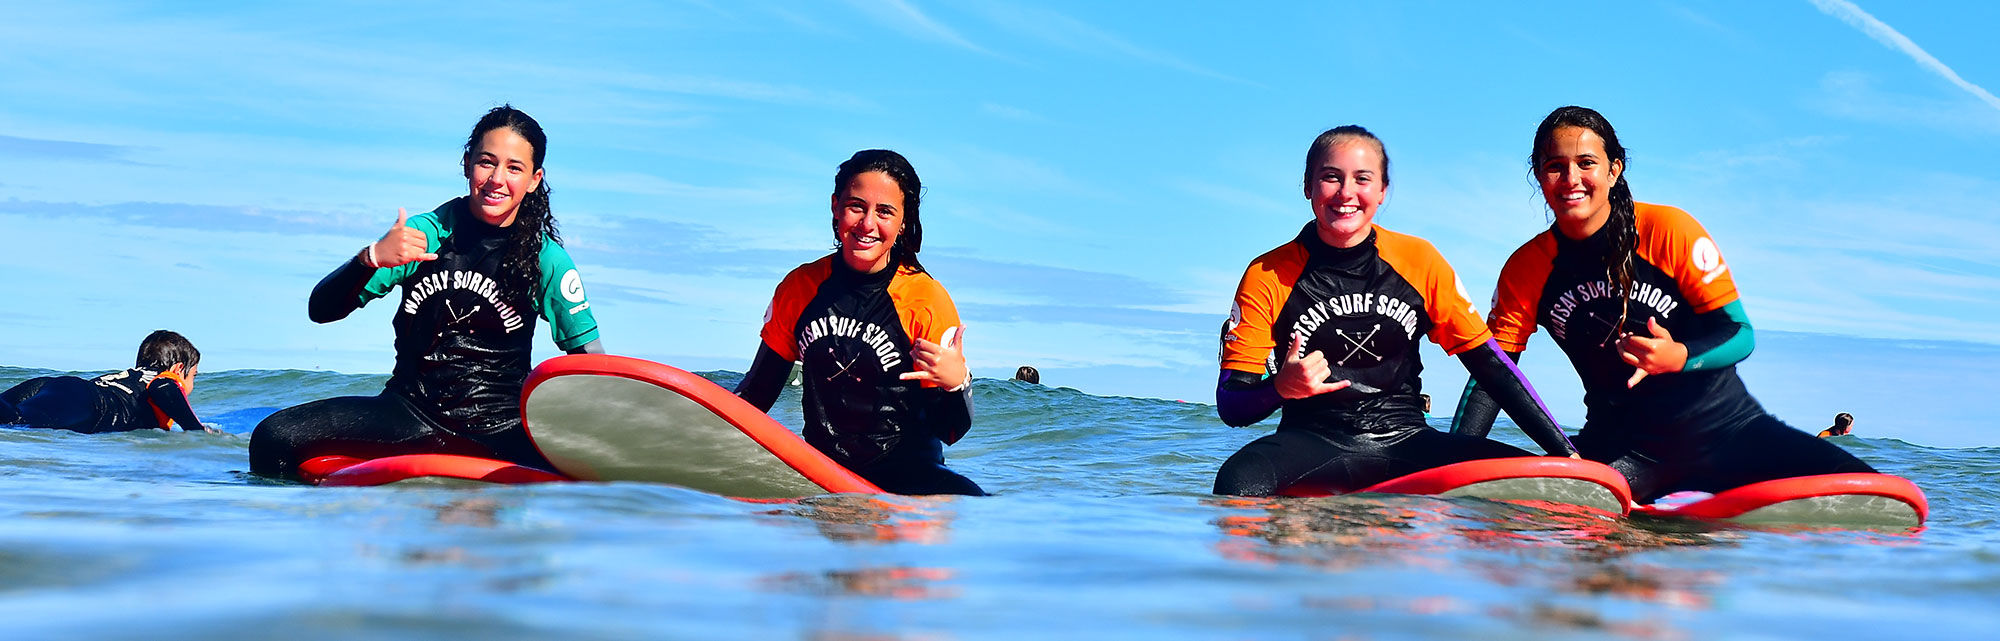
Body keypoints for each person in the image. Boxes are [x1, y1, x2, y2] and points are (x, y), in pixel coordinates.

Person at [1452, 106, 1874, 502]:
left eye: (1586, 163)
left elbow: (1740, 333)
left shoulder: (1668, 230)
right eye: (1554, 166)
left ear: (1614, 169)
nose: (1570, 178)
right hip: (1622, 449)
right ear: (1539, 176)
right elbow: (1495, 371)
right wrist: (1456, 462)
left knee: (1874, 490)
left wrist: (1680, 356)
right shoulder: (1528, 267)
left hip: (1726, 431)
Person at [1212, 125, 1576, 497]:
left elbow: (1492, 368)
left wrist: (1567, 455)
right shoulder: (1268, 274)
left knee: (1538, 486)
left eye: (1362, 179)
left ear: (1383, 191)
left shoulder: (1419, 261)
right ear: (1308, 187)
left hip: (1406, 439)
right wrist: (1281, 388)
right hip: (1311, 441)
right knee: (1236, 482)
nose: (1346, 193)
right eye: (1330, 178)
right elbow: (1232, 406)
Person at [249, 106, 603, 479]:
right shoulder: (423, 235)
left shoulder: (546, 259)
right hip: (409, 413)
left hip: (501, 427)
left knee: (588, 473)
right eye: (487, 162)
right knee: (273, 438)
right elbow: (321, 310)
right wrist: (370, 259)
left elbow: (589, 361)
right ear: (466, 164)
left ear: (534, 179)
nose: (498, 179)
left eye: (514, 168)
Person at [734, 149, 983, 496]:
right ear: (836, 207)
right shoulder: (800, 288)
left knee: (973, 501)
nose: (868, 224)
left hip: (907, 483)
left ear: (903, 220)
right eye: (856, 207)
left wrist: (956, 383)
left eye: (884, 212)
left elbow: (951, 430)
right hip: (821, 475)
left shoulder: (925, 300)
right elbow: (756, 394)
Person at [0, 330, 205, 433]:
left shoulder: (129, 378)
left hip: (57, 386)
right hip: (88, 403)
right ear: (178, 369)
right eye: (194, 375)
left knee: (8, 418)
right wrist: (197, 431)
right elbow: (164, 388)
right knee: (17, 422)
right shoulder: (165, 378)